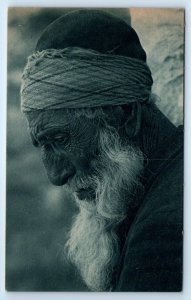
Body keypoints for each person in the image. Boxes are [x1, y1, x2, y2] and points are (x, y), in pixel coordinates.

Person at [20, 9, 183, 292]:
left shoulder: (163, 235)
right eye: (43, 145)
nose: (56, 176)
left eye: (59, 139)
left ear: (126, 116)